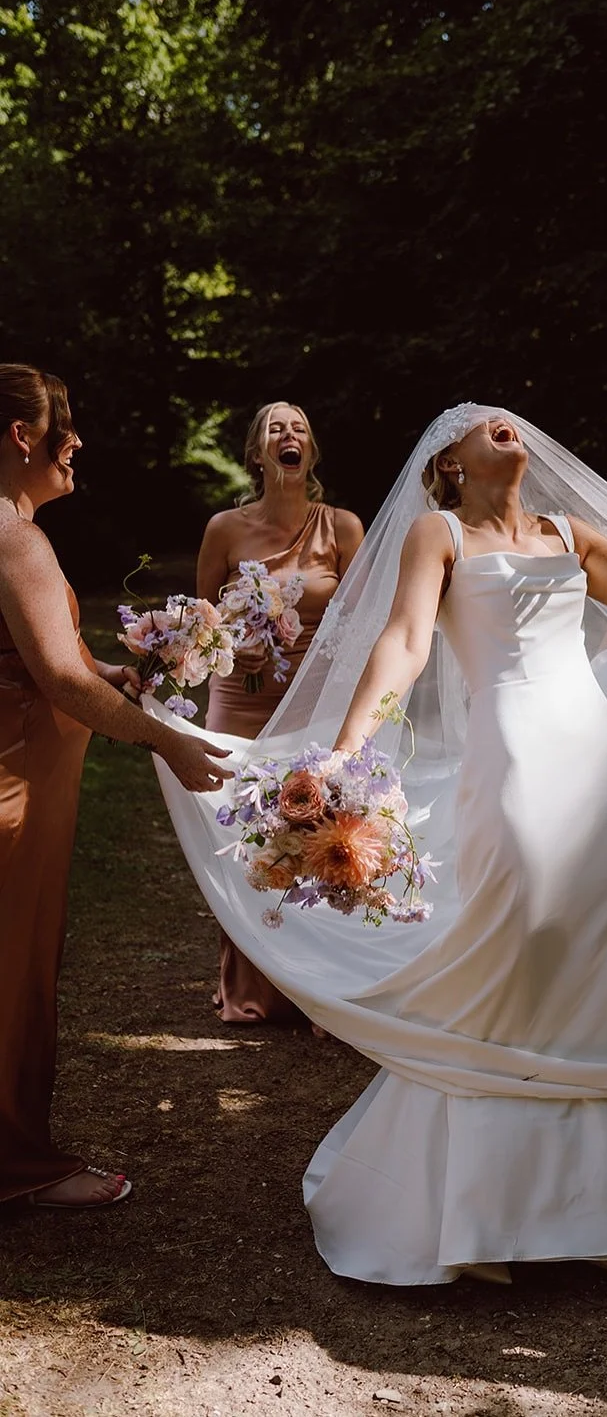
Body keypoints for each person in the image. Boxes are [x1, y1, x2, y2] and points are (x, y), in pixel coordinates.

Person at [155, 405, 607, 1285]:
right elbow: (403, 643)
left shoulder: (566, 530)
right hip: (511, 756)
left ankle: (600, 1218)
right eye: (476, 423)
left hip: (594, 755)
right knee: (523, 936)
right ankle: (480, 1210)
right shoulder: (438, 534)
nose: (501, 423)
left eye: (508, 419)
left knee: (602, 946)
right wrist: (342, 755)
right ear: (451, 463)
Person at [0, 364, 231, 1210]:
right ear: (23, 436)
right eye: (68, 425)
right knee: (10, 969)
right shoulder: (14, 535)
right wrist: (165, 740)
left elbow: (40, 658)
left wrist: (111, 669)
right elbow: (57, 683)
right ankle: (18, 1170)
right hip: (16, 785)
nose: (80, 443)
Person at [196, 401, 363, 1024]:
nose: (288, 436)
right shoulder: (224, 529)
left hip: (314, 702)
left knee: (315, 830)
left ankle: (317, 984)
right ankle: (249, 986)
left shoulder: (342, 527)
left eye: (299, 429)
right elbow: (202, 617)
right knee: (240, 834)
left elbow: (367, 620)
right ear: (257, 454)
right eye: (275, 429)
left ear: (310, 452)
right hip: (239, 697)